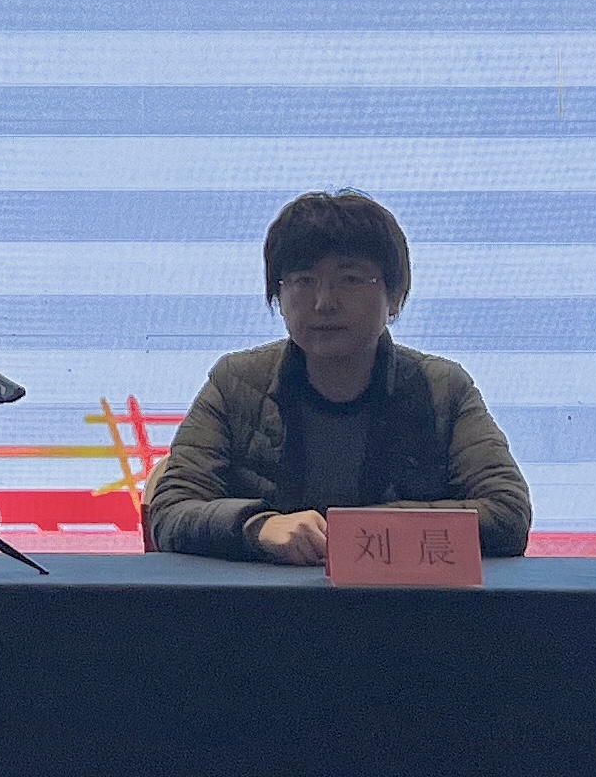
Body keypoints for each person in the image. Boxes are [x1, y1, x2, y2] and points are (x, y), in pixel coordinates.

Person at [144, 189, 530, 563]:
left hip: (402, 602)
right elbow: (171, 510)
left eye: (350, 279)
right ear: (279, 297)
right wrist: (258, 527)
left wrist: (355, 533)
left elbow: (507, 513)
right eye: (303, 281)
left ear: (395, 297)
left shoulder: (443, 388)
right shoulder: (236, 383)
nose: (324, 302)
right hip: (266, 602)